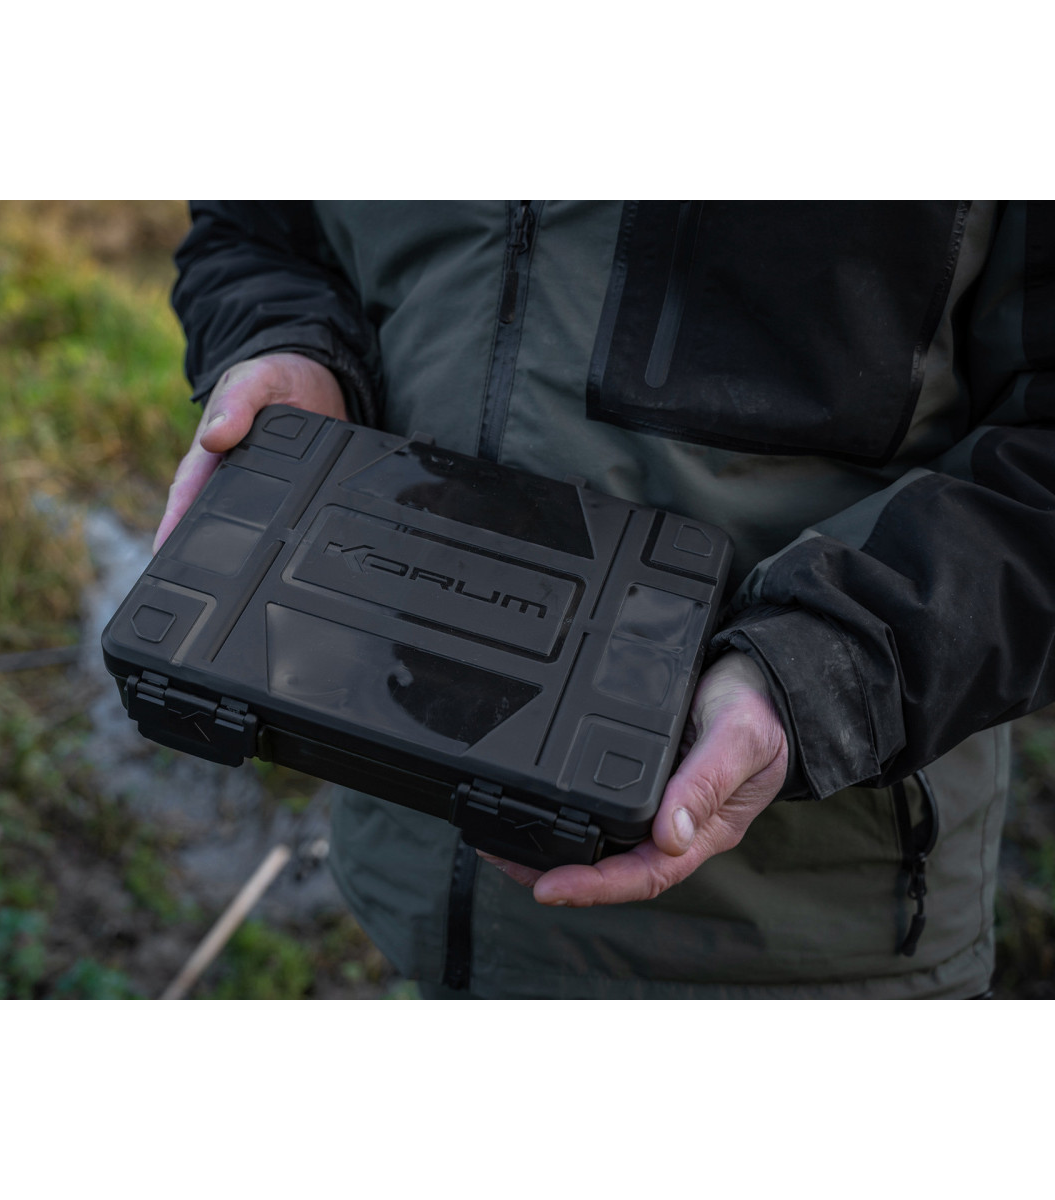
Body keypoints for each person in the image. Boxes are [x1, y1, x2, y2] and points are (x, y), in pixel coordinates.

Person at [157, 201, 1055, 999]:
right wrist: (289, 346)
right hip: (415, 859)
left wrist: (820, 674)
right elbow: (256, 229)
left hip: (805, 948)